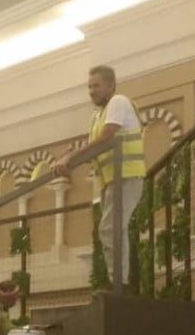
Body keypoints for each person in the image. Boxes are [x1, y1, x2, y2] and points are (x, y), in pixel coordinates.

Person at [53, 65, 146, 286]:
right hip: (110, 181)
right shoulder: (96, 116)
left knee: (110, 228)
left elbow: (106, 138)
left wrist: (72, 157)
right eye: (89, 87)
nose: (91, 91)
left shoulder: (118, 102)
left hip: (126, 176)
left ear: (111, 86)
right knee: (111, 229)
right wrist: (68, 158)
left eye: (96, 86)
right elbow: (93, 150)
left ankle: (120, 283)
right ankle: (119, 281)